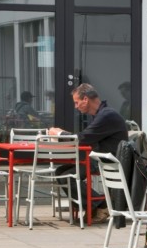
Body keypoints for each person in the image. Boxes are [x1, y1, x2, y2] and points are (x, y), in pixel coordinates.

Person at [49, 83, 129, 224]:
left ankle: (99, 206)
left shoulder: (106, 115)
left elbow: (82, 139)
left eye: (76, 102)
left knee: (67, 176)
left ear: (85, 99)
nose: (76, 106)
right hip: (99, 157)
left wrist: (59, 133)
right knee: (61, 171)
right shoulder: (100, 114)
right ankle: (98, 205)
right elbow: (87, 139)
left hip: (107, 161)